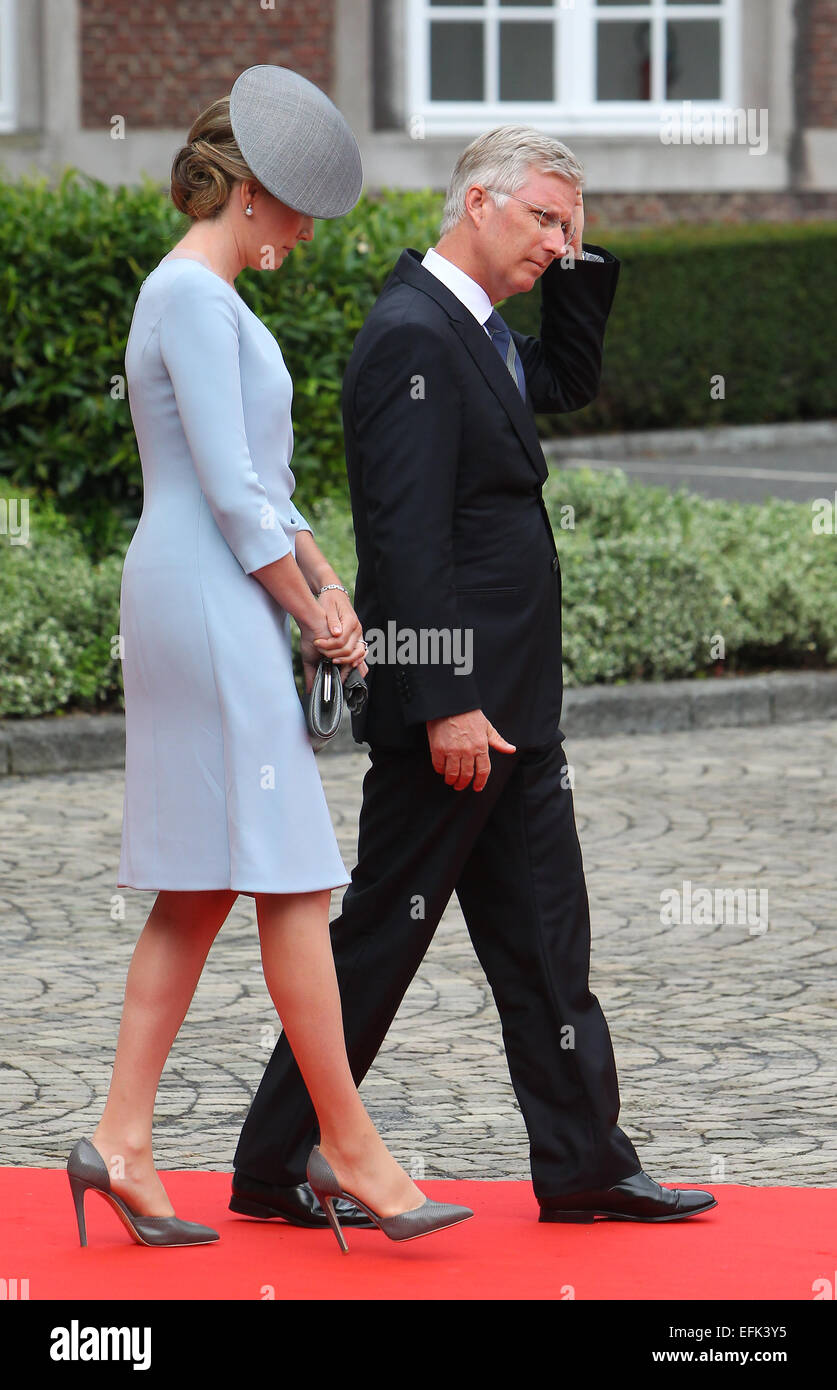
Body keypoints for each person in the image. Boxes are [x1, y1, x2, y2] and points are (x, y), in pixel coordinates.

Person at [231, 126, 717, 1227]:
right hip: (456, 706)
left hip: (515, 707)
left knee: (547, 937)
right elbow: (404, 543)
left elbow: (567, 382)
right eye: (545, 219)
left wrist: (579, 267)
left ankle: (587, 1162)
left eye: (571, 225)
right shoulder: (413, 334)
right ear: (477, 204)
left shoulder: (475, 328)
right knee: (380, 939)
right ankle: (272, 1163)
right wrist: (449, 698)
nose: (560, 240)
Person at [66, 65, 472, 1253]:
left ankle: (122, 1143)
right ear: (248, 191)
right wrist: (305, 605)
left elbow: (264, 488)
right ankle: (349, 1146)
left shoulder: (210, 298)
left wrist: (326, 584)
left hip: (213, 587)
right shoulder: (193, 297)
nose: (303, 229)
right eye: (295, 206)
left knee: (200, 885)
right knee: (291, 870)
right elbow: (239, 502)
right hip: (205, 595)